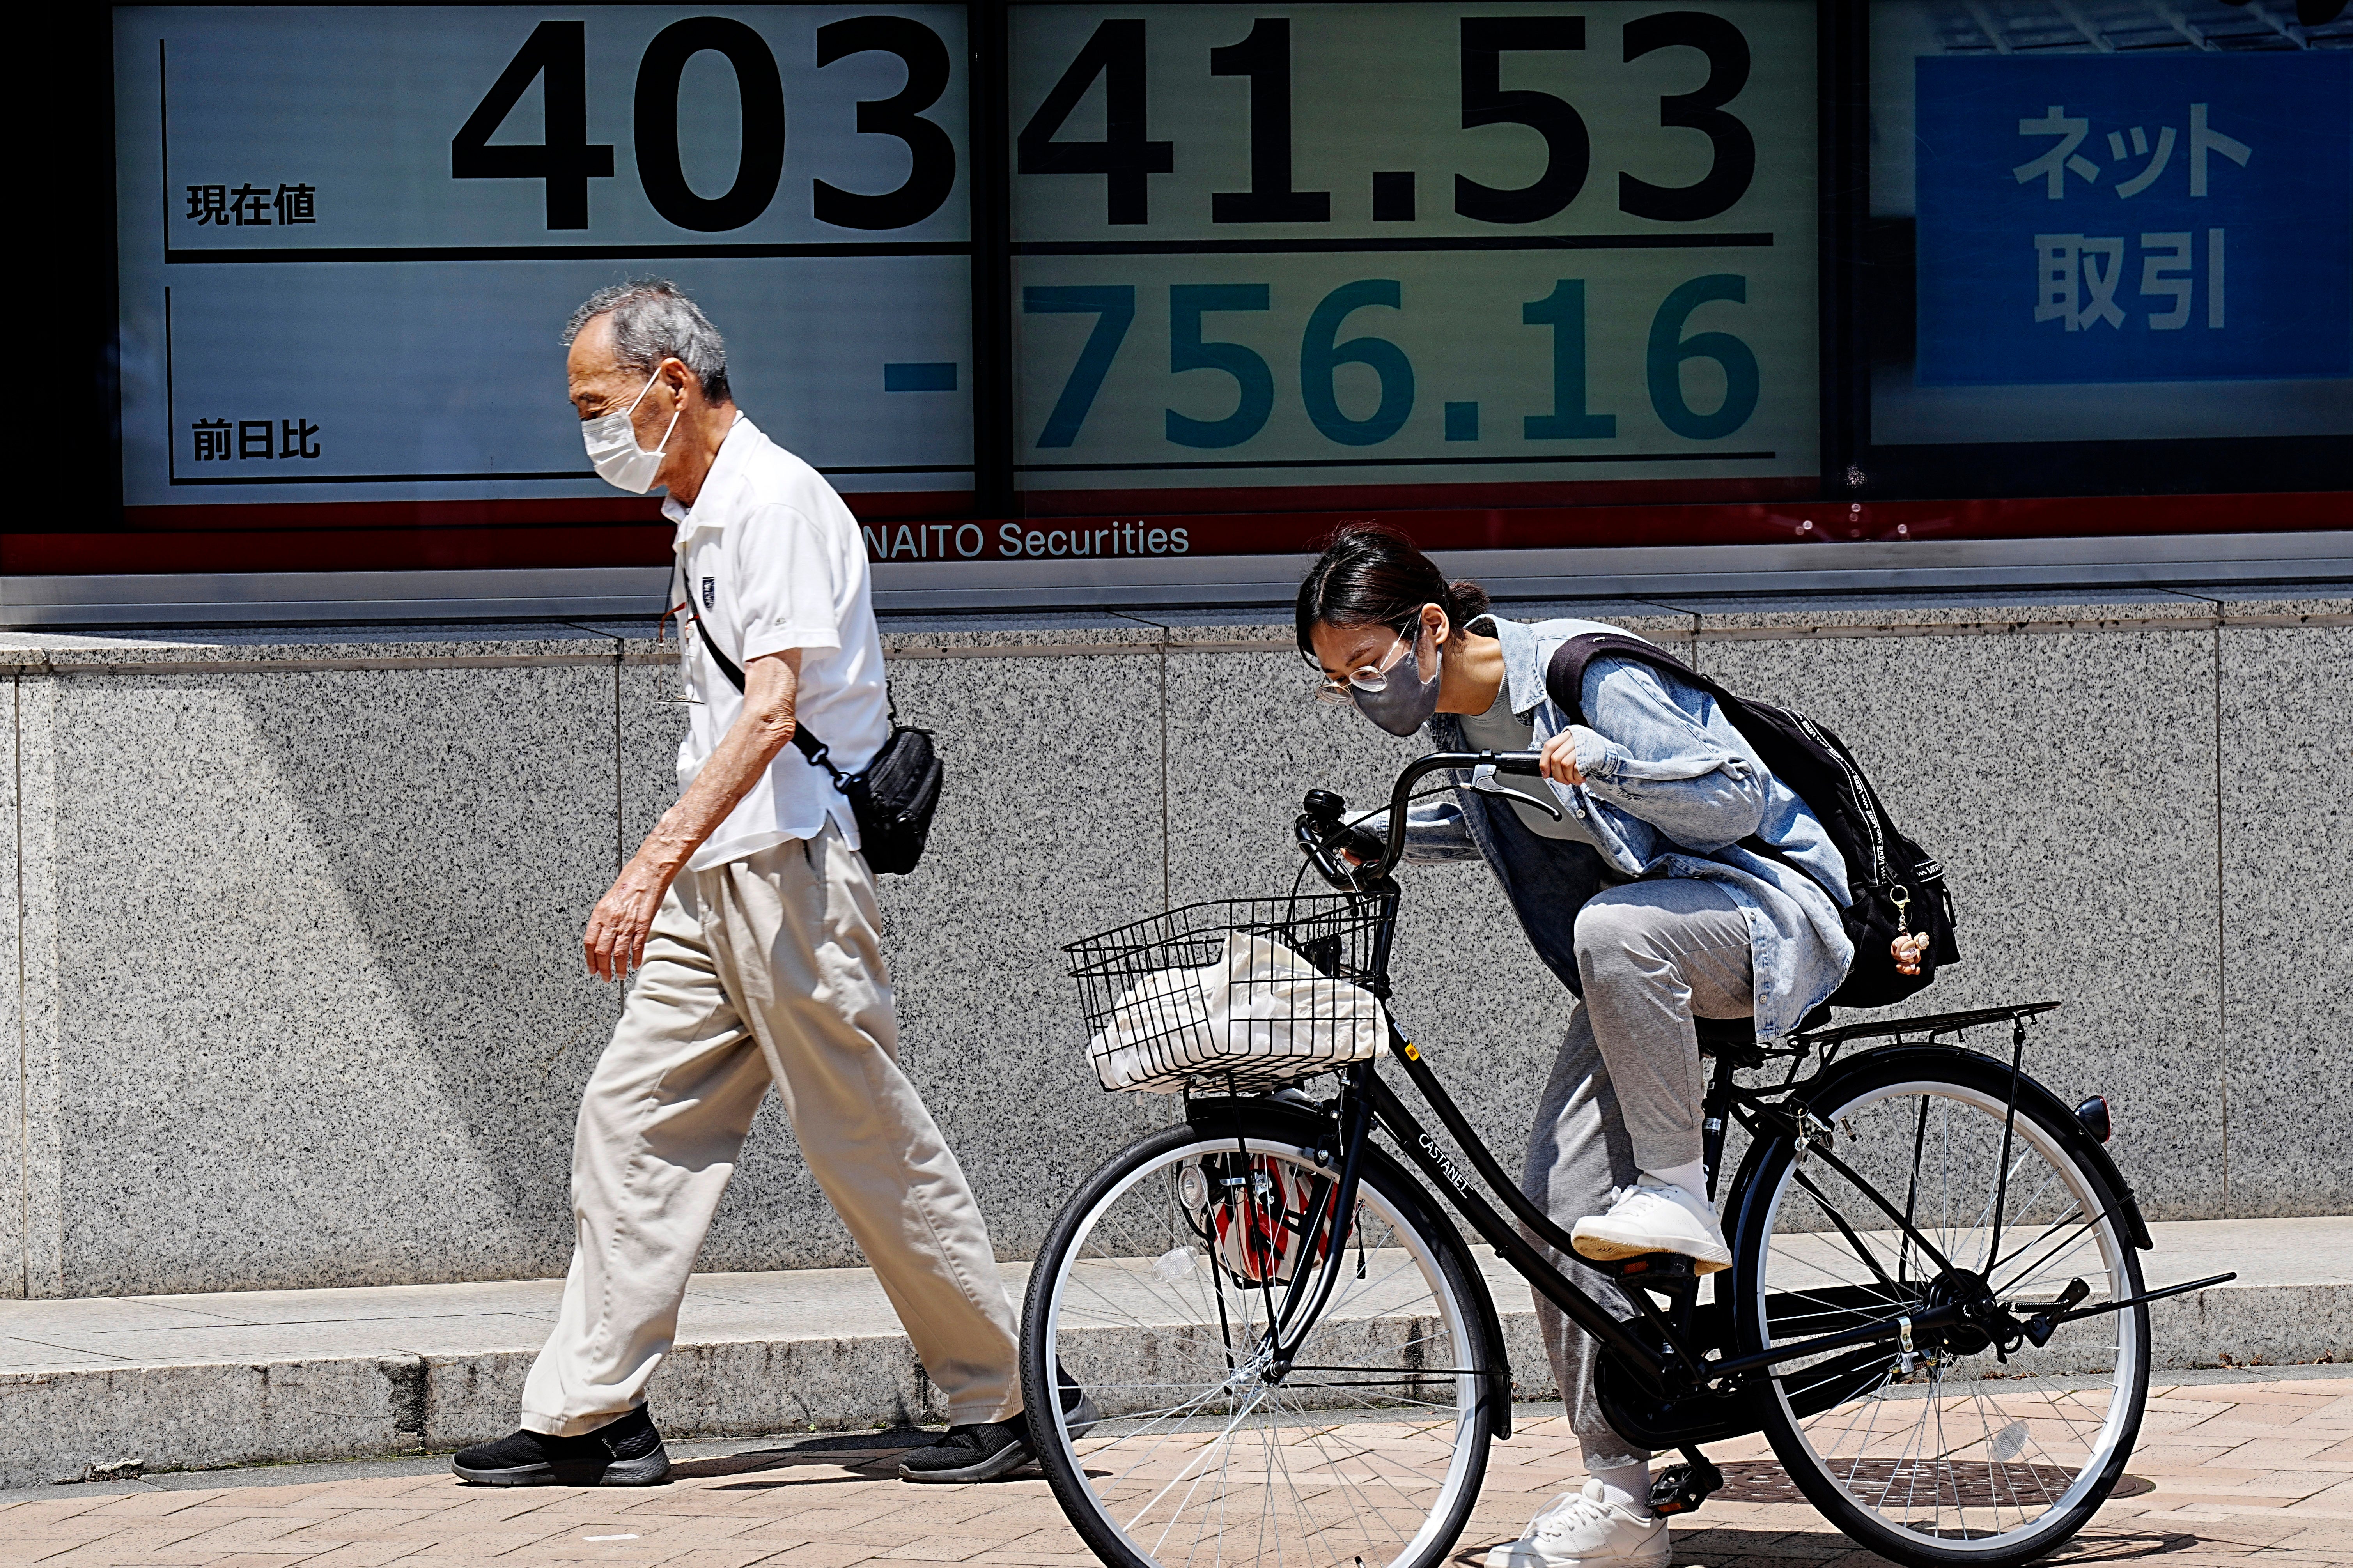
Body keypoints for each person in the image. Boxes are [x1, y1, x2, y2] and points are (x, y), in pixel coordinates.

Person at [453, 278, 1076, 1489]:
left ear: (669, 383)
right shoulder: (706, 511)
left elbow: (770, 712)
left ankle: (1006, 1398)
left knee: (865, 1140)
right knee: (630, 1122)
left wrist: (644, 866)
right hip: (723, 879)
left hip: (785, 866)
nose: (590, 429)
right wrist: (676, 873)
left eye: (598, 402)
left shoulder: (770, 502)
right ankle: (593, 1410)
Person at [1297, 527, 1858, 1568]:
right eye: (1338, 684)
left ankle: (1678, 1194)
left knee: (1612, 930)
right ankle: (1618, 1498)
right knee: (1554, 1204)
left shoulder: (1580, 671)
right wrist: (1379, 833)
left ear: (1430, 628)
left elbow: (1732, 793)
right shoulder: (1459, 730)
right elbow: (1504, 815)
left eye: (1366, 667)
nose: (1363, 694)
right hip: (1646, 961)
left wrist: (1609, 761)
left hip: (1765, 917)